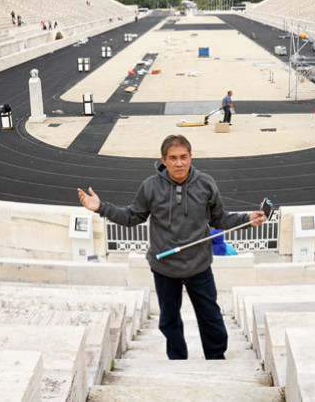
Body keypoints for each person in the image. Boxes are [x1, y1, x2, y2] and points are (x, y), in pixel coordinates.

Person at [77, 135, 265, 360]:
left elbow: (219, 219)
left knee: (211, 317)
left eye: (184, 157)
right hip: (164, 267)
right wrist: (101, 207)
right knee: (168, 320)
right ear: (163, 160)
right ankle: (177, 359)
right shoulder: (150, 186)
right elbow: (132, 216)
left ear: (191, 157)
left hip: (199, 266)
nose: (179, 163)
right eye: (173, 158)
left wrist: (247, 219)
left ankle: (216, 358)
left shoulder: (206, 183)